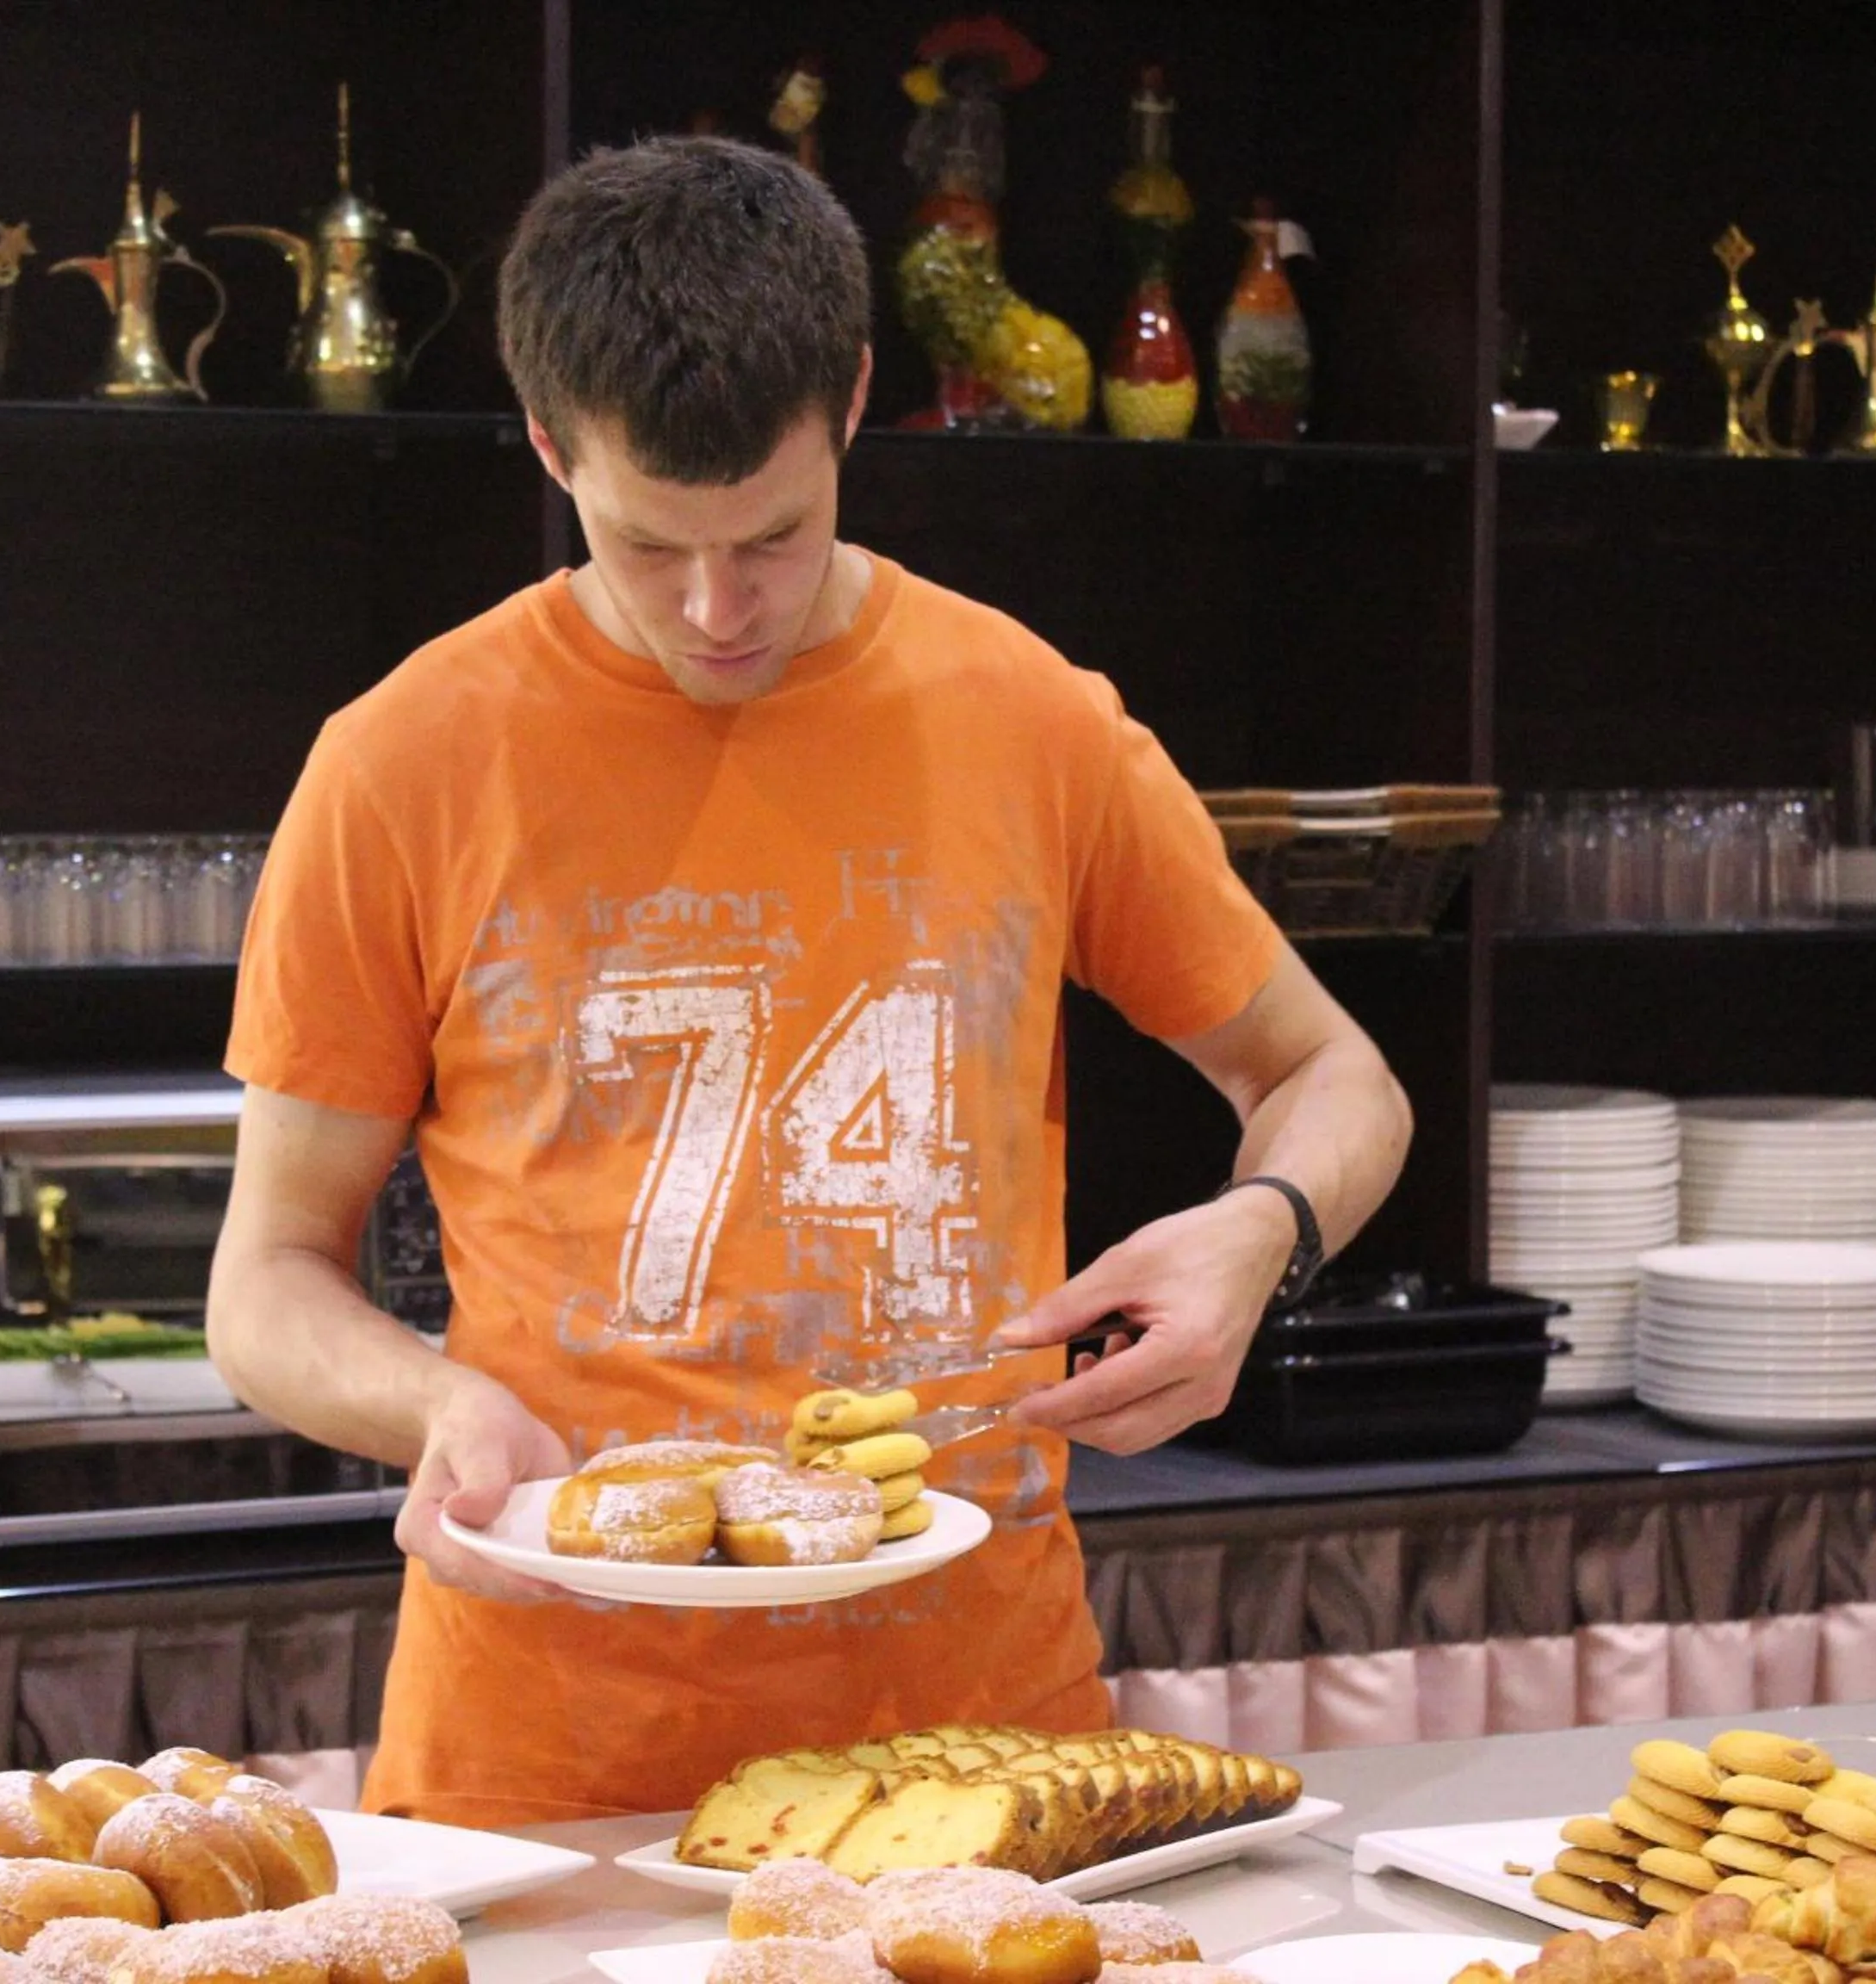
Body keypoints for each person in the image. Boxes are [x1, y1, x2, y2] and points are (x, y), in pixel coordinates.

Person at [206, 134, 1412, 1829]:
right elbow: (262, 1280)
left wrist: (1260, 1236)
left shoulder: (1031, 718)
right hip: (546, 1769)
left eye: (769, 538)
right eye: (645, 546)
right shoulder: (404, 760)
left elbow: (1331, 1074)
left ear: (852, 403)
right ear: (551, 447)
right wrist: (436, 1401)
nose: (714, 612)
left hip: (982, 1753)